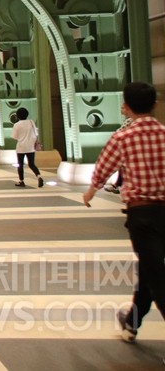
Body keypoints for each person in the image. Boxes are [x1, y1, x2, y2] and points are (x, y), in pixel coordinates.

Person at [82, 82, 165, 344]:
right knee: (149, 269)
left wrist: (91, 191)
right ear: (154, 105)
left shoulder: (123, 137)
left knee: (156, 276)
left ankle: (132, 321)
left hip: (142, 215)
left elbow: (103, 167)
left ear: (125, 107)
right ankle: (131, 322)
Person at [10, 107, 43, 187]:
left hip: (21, 147)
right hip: (30, 146)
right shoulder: (31, 122)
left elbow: (14, 136)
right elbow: (36, 133)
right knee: (31, 164)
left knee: (20, 164)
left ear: (17, 115)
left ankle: (21, 181)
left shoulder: (16, 125)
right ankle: (39, 176)